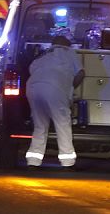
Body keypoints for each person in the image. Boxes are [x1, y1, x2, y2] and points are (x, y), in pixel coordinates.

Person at [24, 33, 84, 169]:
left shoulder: (43, 55)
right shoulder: (69, 53)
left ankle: (33, 160)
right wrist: (70, 87)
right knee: (62, 123)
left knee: (40, 125)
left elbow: (31, 69)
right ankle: (67, 161)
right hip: (54, 89)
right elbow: (81, 73)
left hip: (33, 87)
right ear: (67, 44)